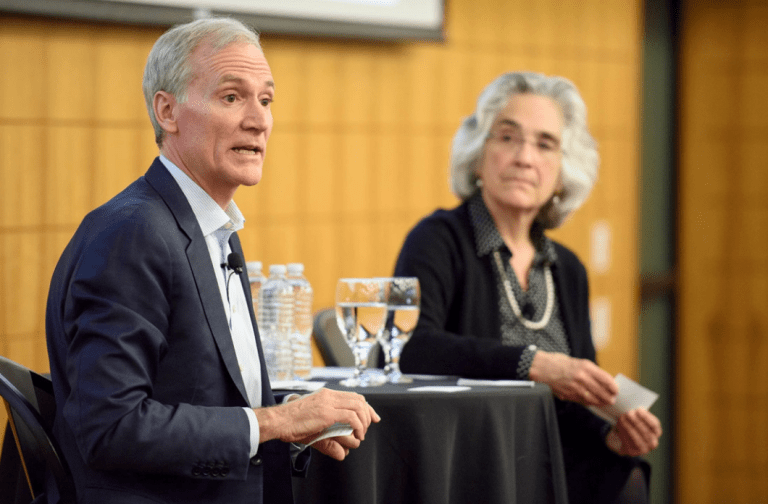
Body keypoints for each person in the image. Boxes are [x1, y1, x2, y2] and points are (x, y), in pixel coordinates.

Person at [45, 17, 379, 504]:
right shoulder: (134, 234)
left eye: (266, 100)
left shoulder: (209, 228)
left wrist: (292, 426)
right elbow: (111, 426)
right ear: (168, 111)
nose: (259, 119)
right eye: (231, 97)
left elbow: (202, 400)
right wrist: (276, 421)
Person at [394, 72, 661, 504]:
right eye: (507, 137)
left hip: (554, 460)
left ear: (561, 174)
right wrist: (532, 364)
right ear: (478, 155)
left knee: (623, 473)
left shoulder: (567, 269)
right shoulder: (437, 240)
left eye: (544, 144)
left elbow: (576, 405)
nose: (524, 157)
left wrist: (612, 434)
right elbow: (413, 348)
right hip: (470, 460)